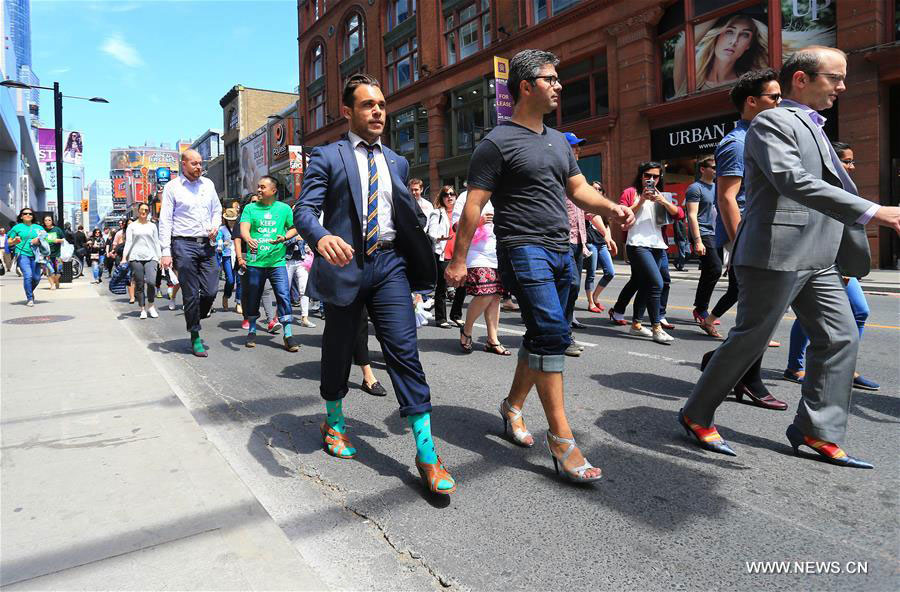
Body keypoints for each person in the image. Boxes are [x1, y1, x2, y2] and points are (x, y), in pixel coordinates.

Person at [679, 47, 900, 468]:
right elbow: (790, 180)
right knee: (751, 340)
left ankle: (816, 430)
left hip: (820, 255)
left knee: (839, 337)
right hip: (775, 253)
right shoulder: (772, 121)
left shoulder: (814, 125)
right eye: (834, 77)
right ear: (801, 79)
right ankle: (696, 413)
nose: (842, 86)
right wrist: (874, 211)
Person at [446, 50, 634, 482]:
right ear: (526, 86)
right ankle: (562, 439)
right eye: (550, 79)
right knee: (552, 333)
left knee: (543, 337)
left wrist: (609, 209)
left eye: (558, 78)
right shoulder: (496, 143)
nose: (559, 85)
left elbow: (579, 189)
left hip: (563, 249)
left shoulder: (555, 139)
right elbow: (473, 205)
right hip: (522, 247)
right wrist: (458, 260)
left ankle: (512, 406)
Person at [295, 73, 456, 495]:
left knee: (404, 351)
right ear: (348, 112)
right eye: (368, 105)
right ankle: (334, 422)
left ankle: (426, 453)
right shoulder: (327, 157)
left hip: (388, 266)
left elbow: (404, 212)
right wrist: (322, 236)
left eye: (382, 104)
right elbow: (304, 211)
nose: (378, 111)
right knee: (337, 349)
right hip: (345, 265)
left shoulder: (398, 162)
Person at [697, 68, 788, 411]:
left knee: (763, 315)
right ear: (752, 101)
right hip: (751, 240)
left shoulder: (764, 135)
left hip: (770, 235)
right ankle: (748, 380)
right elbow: (727, 198)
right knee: (758, 316)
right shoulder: (738, 142)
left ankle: (719, 361)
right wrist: (740, 246)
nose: (780, 103)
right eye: (774, 97)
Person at [784, 141, 879, 392]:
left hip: (842, 262)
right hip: (821, 259)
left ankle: (845, 367)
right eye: (847, 161)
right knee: (810, 315)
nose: (852, 166)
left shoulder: (846, 188)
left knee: (859, 312)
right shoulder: (820, 187)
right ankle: (796, 366)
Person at [158, 148, 222, 357]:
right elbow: (165, 220)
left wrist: (215, 225)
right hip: (183, 245)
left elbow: (217, 210)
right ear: (183, 165)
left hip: (207, 243)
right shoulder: (172, 187)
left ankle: (194, 314)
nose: (198, 167)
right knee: (191, 293)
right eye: (194, 163)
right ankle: (195, 335)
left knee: (211, 290)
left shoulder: (208, 184)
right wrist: (166, 252)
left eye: (200, 163)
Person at [608, 162, 680, 343]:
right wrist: (641, 201)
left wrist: (662, 200)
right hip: (638, 244)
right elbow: (620, 214)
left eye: (655, 176)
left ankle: (637, 325)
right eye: (647, 175)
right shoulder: (631, 193)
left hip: (658, 245)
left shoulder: (662, 195)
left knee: (646, 284)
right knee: (657, 283)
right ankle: (656, 327)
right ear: (641, 176)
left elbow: (678, 214)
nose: (651, 179)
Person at [240, 176, 299, 351]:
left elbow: (294, 227)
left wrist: (285, 237)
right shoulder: (250, 208)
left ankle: (288, 335)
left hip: (277, 262)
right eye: (258, 187)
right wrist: (248, 238)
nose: (258, 190)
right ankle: (252, 330)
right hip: (256, 262)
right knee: (253, 296)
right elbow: (244, 227)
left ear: (273, 191)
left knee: (283, 295)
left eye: (262, 187)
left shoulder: (284, 209)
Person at [451, 188, 508, 355]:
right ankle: (466, 330)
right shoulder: (465, 196)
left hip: (498, 250)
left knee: (496, 295)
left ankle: (492, 339)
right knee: (485, 293)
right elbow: (456, 226)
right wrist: (479, 221)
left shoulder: (499, 195)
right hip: (476, 252)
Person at [674, 13, 769, 96]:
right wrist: (720, 9)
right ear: (717, 35)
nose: (734, 41)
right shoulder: (691, 80)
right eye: (729, 32)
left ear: (749, 44)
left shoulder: (750, 83)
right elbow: (681, 46)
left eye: (745, 35)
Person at [561, 131, 590, 357]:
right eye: (574, 146)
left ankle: (565, 332)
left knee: (574, 288)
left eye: (578, 146)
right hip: (562, 240)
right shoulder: (557, 174)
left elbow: (587, 211)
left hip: (579, 240)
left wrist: (606, 234)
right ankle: (559, 335)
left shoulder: (577, 177)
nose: (578, 150)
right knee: (569, 285)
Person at [685, 155, 723, 323]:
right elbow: (692, 216)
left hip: (717, 233)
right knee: (715, 269)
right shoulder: (695, 188)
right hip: (703, 232)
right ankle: (701, 309)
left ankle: (701, 307)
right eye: (713, 167)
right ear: (702, 169)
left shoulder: (719, 187)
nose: (716, 170)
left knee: (709, 270)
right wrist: (697, 240)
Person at [123, 203, 161, 319]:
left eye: (146, 210)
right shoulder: (132, 226)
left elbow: (156, 242)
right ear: (138, 211)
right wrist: (124, 257)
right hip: (135, 257)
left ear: (148, 212)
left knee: (151, 282)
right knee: (139, 284)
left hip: (151, 257)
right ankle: (142, 309)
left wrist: (160, 257)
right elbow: (128, 242)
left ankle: (151, 305)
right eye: (141, 210)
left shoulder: (152, 226)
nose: (143, 212)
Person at [425, 186, 456, 328]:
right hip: (443, 253)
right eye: (446, 195)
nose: (449, 197)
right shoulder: (437, 213)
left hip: (458, 254)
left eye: (452, 194)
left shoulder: (459, 214)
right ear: (442, 198)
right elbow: (431, 232)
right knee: (442, 287)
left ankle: (456, 315)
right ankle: (441, 318)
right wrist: (440, 237)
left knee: (461, 287)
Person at [585, 181, 617, 312]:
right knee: (591, 273)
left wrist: (610, 240)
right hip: (590, 242)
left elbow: (606, 226)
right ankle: (591, 303)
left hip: (602, 243)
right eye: (594, 189)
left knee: (610, 272)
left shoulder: (603, 208)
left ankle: (595, 296)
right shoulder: (585, 204)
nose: (596, 191)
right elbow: (592, 217)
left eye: (599, 189)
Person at [7, 208, 43, 306]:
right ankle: (30, 298)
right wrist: (14, 241)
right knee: (28, 275)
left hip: (36, 255)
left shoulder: (38, 227)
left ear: (33, 216)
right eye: (25, 213)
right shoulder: (17, 227)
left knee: (36, 278)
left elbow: (45, 239)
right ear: (21, 216)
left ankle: (29, 291)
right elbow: (9, 241)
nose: (28, 215)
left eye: (30, 214)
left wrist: (38, 240)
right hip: (22, 254)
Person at [217, 208, 238, 312]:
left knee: (239, 281)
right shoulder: (222, 229)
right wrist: (221, 244)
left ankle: (239, 302)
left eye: (233, 219)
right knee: (230, 279)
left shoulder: (239, 227)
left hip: (238, 255)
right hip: (227, 256)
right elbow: (218, 239)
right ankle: (226, 296)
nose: (232, 221)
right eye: (230, 219)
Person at [40, 215, 65, 290]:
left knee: (59, 271)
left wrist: (58, 240)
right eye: (46, 220)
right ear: (44, 222)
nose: (47, 222)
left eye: (49, 220)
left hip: (58, 253)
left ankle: (56, 281)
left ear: (52, 221)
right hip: (46, 254)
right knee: (49, 270)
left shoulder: (57, 229)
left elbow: (64, 239)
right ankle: (52, 285)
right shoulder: (42, 230)